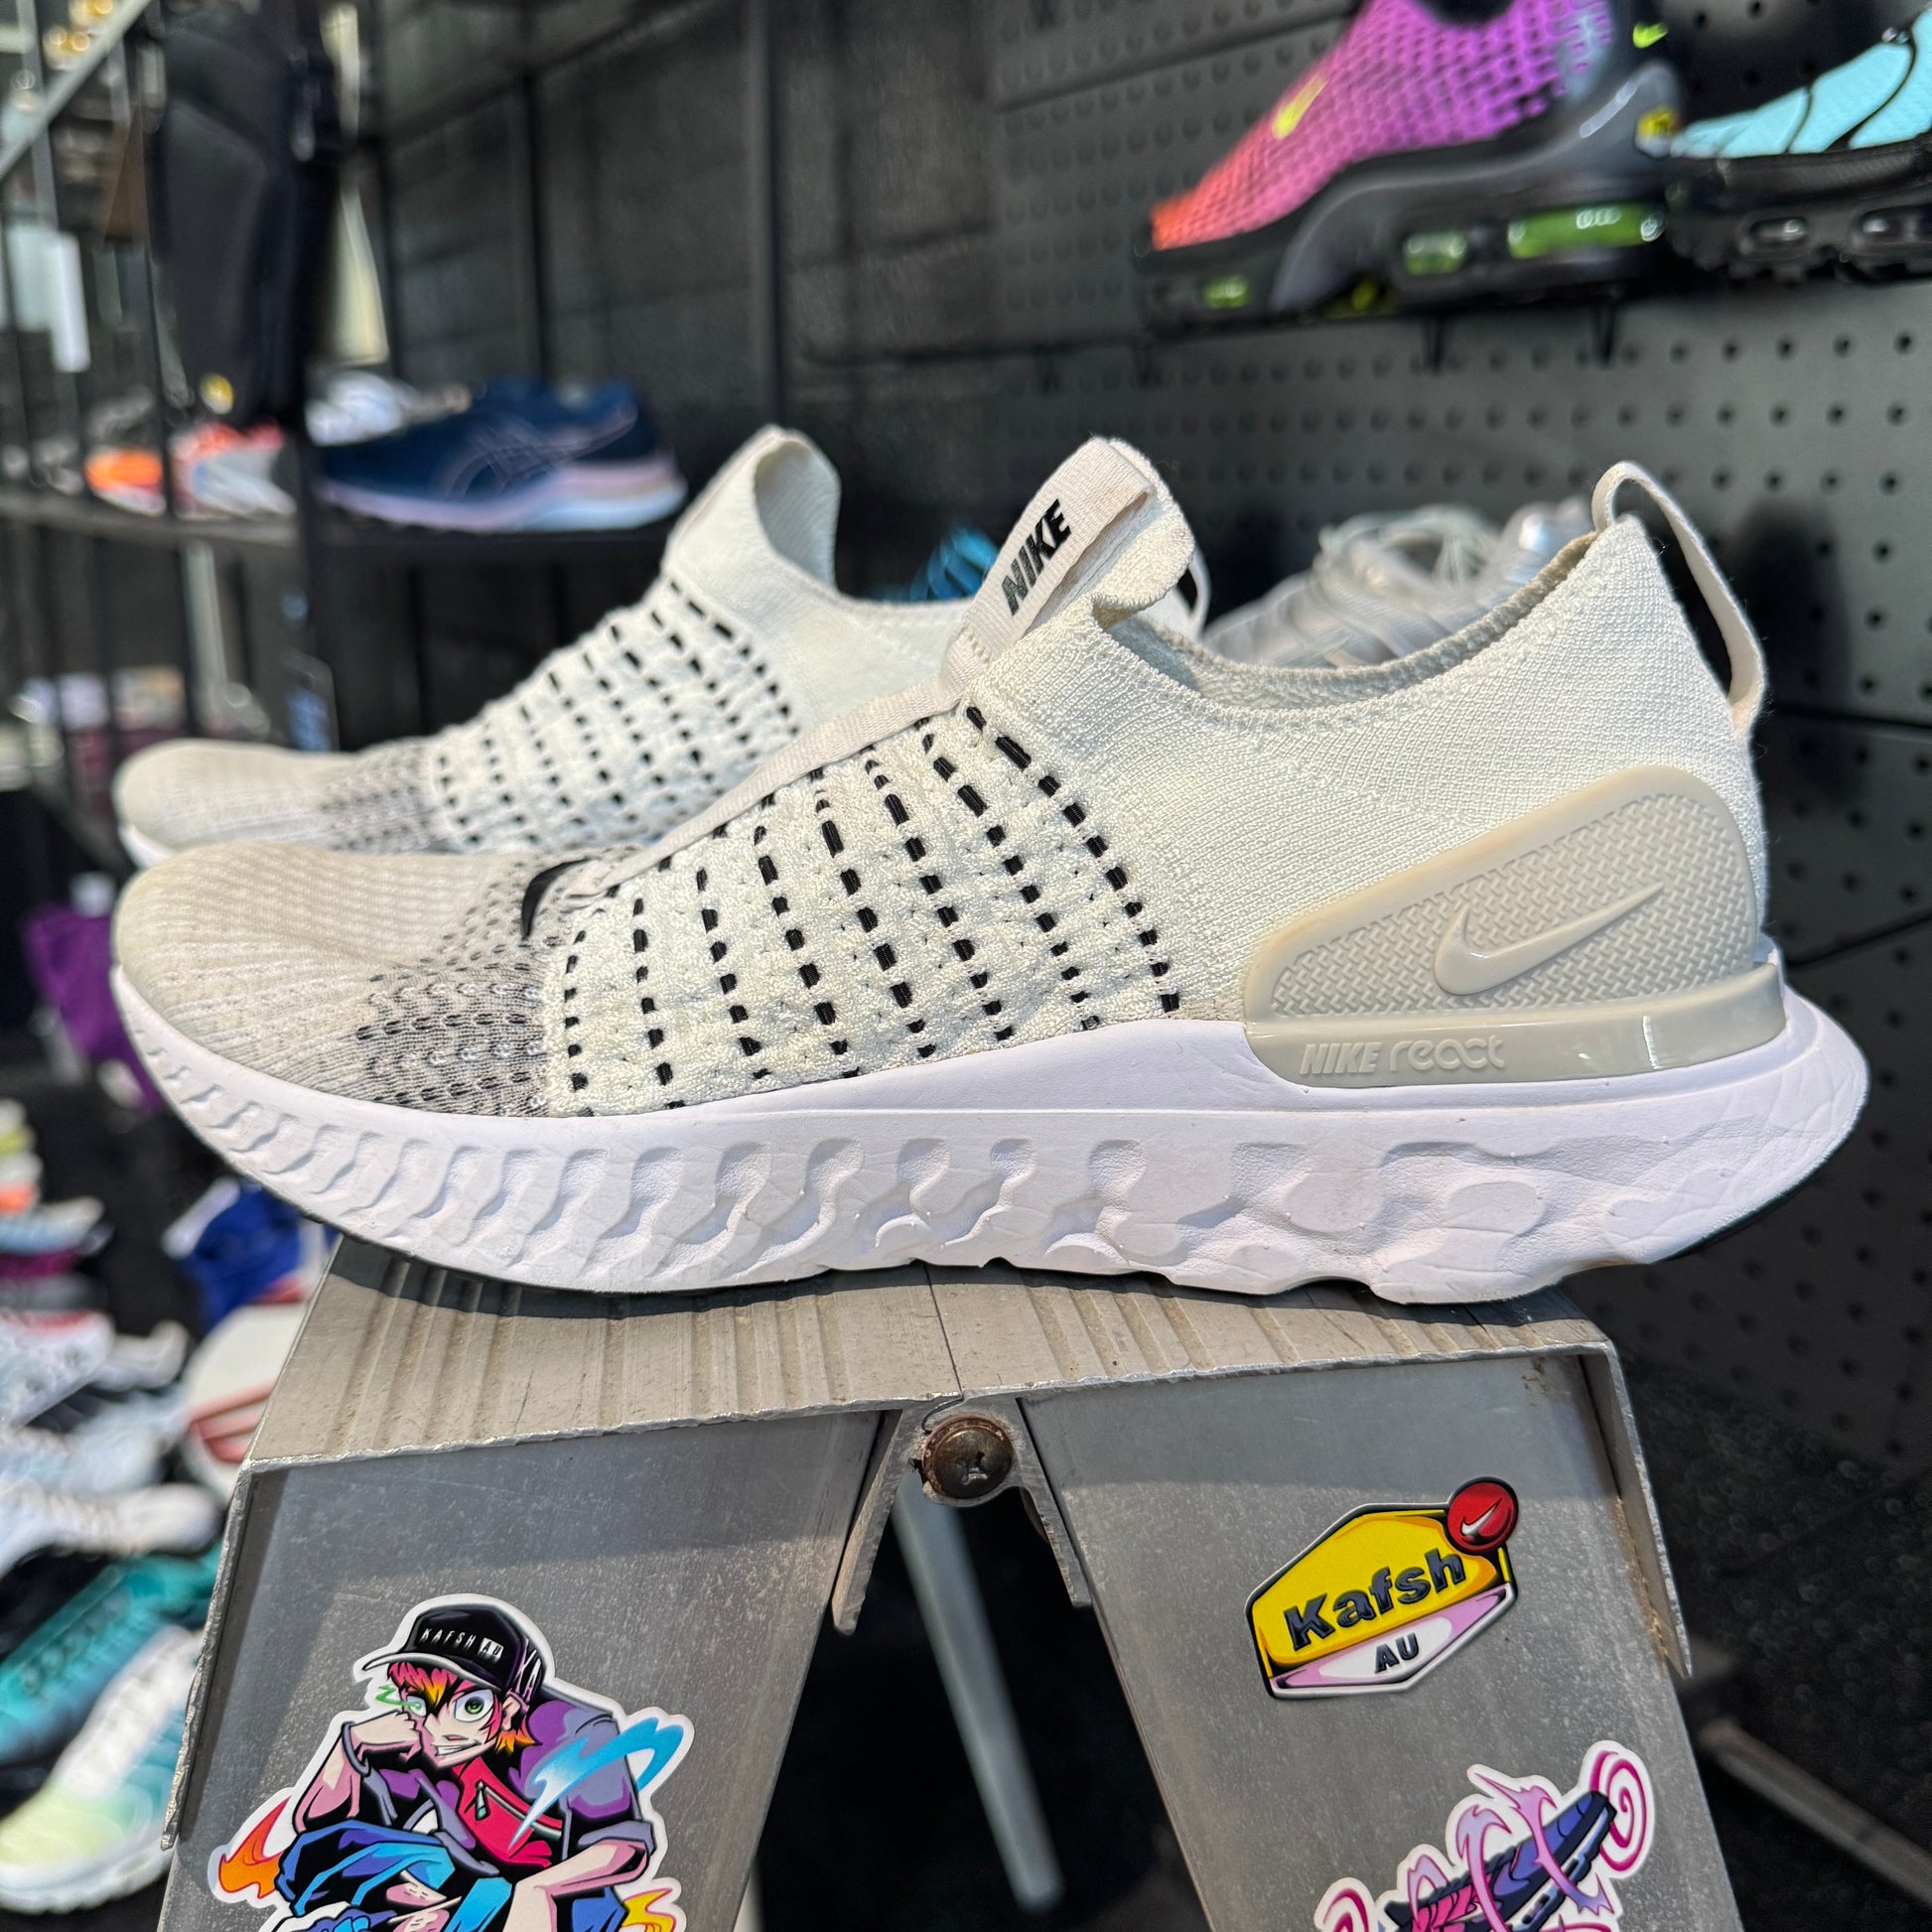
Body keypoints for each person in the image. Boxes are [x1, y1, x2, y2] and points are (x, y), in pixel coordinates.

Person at [269, 1601, 660, 1932]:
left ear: (510, 1707)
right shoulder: (414, 1732)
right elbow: (321, 1831)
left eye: (470, 1707)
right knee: (325, 1856)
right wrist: (351, 1744)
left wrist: (535, 1890)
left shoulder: (574, 1732)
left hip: (565, 1899)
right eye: (418, 1701)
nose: (437, 1729)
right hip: (465, 1875)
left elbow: (624, 1849)